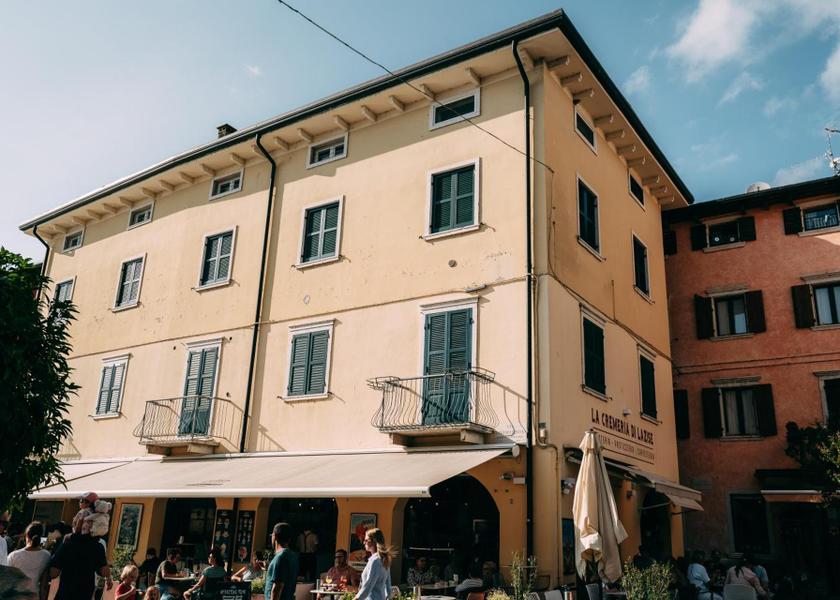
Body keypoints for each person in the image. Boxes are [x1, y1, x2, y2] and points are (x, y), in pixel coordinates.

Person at [48, 511, 112, 600]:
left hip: (66, 593)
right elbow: (104, 571)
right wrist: (108, 577)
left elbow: (53, 573)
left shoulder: (68, 544)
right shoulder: (98, 547)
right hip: (85, 593)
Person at [8, 522, 51, 599]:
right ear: (41, 536)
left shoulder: (13, 556)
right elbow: (44, 585)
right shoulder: (46, 555)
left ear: (26, 535)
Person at [355, 528, 393, 600]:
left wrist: (356, 599)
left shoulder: (375, 561)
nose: (364, 542)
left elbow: (368, 586)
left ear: (373, 541)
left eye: (366, 540)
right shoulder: (384, 559)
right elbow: (388, 585)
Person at [266, 523, 299, 600]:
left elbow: (277, 587)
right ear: (289, 539)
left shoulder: (280, 557)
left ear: (275, 536)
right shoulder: (292, 556)